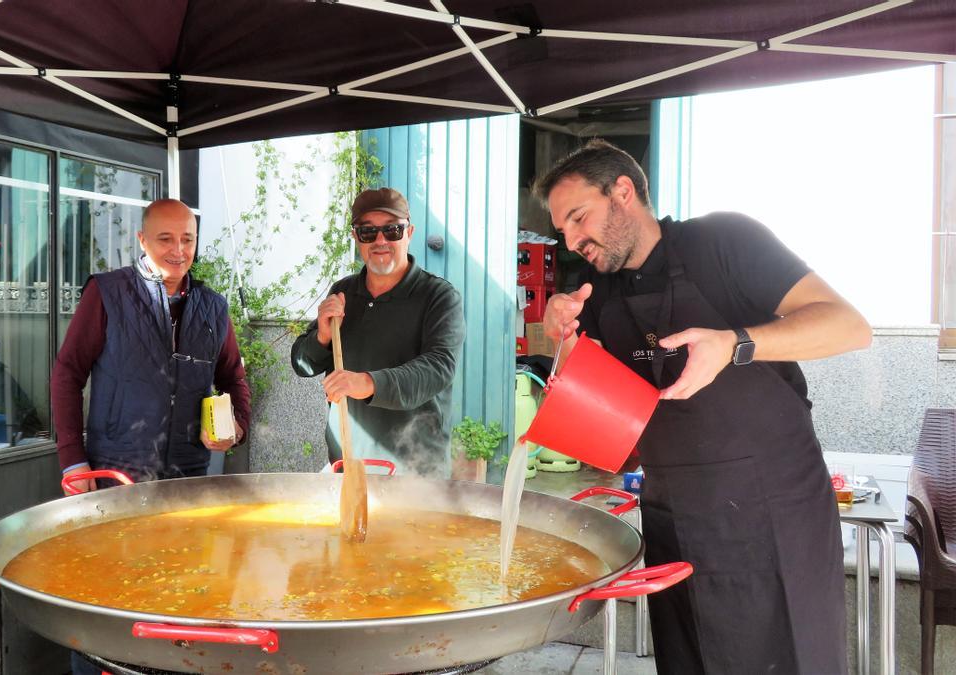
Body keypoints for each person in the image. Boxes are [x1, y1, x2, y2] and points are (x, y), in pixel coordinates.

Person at [535, 139, 872, 674]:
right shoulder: (594, 289)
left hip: (772, 512)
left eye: (579, 218)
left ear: (624, 192)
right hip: (674, 514)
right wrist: (566, 347)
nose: (573, 241)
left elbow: (849, 326)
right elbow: (610, 428)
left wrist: (736, 343)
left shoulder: (725, 240)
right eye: (564, 231)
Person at [51, 199, 251, 489]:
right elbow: (67, 374)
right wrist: (72, 461)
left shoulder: (214, 307)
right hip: (115, 475)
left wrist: (237, 426)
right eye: (165, 239)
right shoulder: (107, 293)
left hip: (188, 475)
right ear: (142, 240)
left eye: (187, 239)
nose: (179, 251)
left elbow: (234, 378)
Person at [290, 187, 465, 477]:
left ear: (409, 233)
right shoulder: (344, 292)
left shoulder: (438, 296)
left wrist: (368, 383)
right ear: (356, 237)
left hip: (415, 471)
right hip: (348, 467)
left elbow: (438, 368)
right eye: (368, 232)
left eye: (392, 230)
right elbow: (302, 364)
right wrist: (321, 335)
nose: (381, 241)